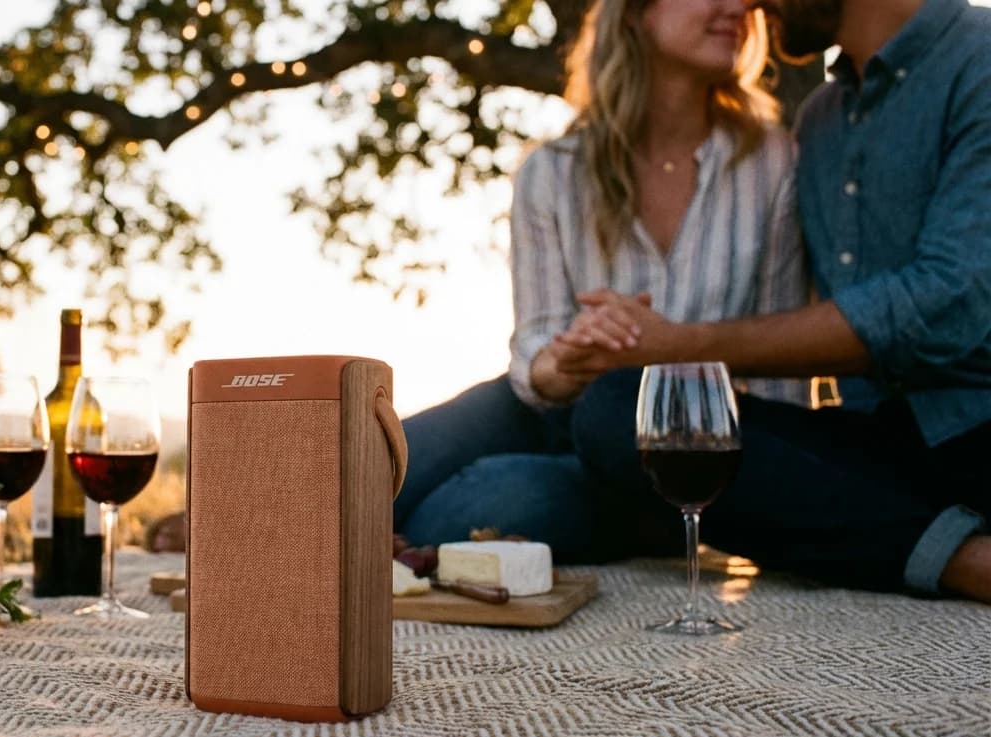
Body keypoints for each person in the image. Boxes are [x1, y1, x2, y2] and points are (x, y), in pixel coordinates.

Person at [557, 0, 991, 601]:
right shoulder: (820, 120)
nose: (750, 5)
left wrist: (682, 344)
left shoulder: (981, 58)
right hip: (881, 444)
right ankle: (962, 556)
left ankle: (921, 546)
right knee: (617, 413)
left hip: (979, 423)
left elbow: (948, 302)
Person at [393, 0, 811, 561]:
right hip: (548, 408)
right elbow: (534, 350)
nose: (737, 7)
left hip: (669, 447)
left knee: (489, 503)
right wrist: (565, 360)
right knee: (369, 466)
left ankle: (392, 548)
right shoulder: (553, 171)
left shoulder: (773, 164)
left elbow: (780, 379)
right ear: (636, 13)